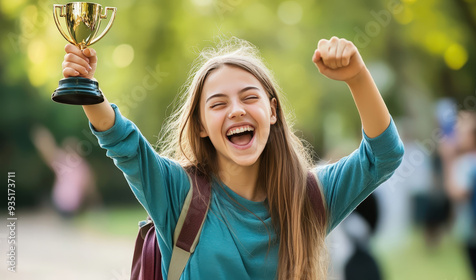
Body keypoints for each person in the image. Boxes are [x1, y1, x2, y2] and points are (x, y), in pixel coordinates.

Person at [59, 36, 404, 279]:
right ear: (202, 126)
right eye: (219, 104)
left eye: (249, 97)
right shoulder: (177, 193)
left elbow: (383, 155)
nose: (236, 110)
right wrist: (86, 88)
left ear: (272, 111)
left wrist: (356, 77)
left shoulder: (310, 196)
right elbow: (125, 143)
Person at [440, 111, 476, 280]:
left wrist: (448, 160)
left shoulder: (467, 163)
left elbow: (456, 193)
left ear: (474, 136)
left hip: (472, 231)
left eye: (463, 133)